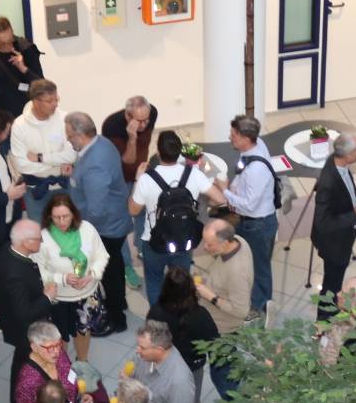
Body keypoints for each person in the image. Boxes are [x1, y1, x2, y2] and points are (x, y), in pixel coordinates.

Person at [130, 130, 224, 301]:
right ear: (180, 152)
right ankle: (181, 318)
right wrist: (204, 204)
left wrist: (137, 179)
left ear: (158, 153)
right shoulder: (193, 174)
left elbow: (133, 211)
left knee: (154, 283)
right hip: (184, 239)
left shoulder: (147, 179)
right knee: (181, 284)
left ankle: (159, 322)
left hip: (154, 241)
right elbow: (220, 199)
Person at [66, 111, 132, 335]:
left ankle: (116, 317)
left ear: (79, 135)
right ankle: (119, 303)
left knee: (108, 271)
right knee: (115, 266)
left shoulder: (95, 164)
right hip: (115, 221)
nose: (67, 139)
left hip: (106, 228)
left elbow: (96, 209)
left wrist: (83, 233)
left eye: (69, 136)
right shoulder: (102, 143)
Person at [0, 219, 55, 403]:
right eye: (38, 239)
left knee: (23, 359)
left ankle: (19, 396)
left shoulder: (8, 249)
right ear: (25, 242)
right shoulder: (14, 273)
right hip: (23, 329)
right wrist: (47, 297)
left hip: (13, 319)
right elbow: (24, 313)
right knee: (25, 361)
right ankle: (21, 399)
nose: (41, 242)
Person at [38, 191, 109, 362]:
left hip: (86, 293)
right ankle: (62, 366)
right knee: (59, 336)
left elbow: (102, 256)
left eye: (65, 216)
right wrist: (63, 278)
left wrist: (91, 275)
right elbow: (39, 273)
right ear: (49, 216)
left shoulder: (87, 229)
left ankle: (82, 362)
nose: (61, 222)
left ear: (73, 213)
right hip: (59, 298)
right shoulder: (43, 238)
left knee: (83, 331)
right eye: (56, 217)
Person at [226, 114, 279, 316]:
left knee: (260, 266)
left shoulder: (257, 170)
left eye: (233, 135)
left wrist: (226, 193)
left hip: (258, 224)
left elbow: (249, 205)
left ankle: (260, 305)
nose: (230, 138)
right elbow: (241, 172)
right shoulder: (255, 147)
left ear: (245, 138)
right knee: (250, 260)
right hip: (252, 222)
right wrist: (234, 187)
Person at [312, 133, 356, 317]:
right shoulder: (329, 181)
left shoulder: (338, 163)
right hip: (334, 243)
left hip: (343, 237)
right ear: (349, 155)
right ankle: (324, 321)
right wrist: (355, 214)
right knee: (331, 286)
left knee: (335, 282)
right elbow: (323, 222)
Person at [13, 319, 100, 403]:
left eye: (58, 344)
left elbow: (71, 377)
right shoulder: (27, 383)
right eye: (50, 348)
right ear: (34, 347)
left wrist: (79, 395)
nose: (56, 352)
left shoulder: (60, 355)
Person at [148, 267, 219, 403]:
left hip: (164, 365)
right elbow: (214, 343)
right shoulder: (201, 315)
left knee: (163, 398)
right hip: (193, 366)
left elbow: (150, 339)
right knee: (191, 402)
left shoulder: (156, 311)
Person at [10, 79, 75, 225]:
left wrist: (40, 158)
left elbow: (71, 154)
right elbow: (22, 165)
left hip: (63, 185)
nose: (55, 104)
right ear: (35, 101)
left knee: (69, 231)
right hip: (36, 190)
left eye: (56, 99)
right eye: (49, 100)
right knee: (41, 235)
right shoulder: (19, 126)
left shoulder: (64, 118)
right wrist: (57, 164)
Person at [128, 320, 196, 403]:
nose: (137, 350)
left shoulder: (180, 381)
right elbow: (132, 368)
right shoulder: (144, 355)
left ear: (159, 350)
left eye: (142, 348)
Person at [0, 16, 42, 118]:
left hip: (25, 111)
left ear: (12, 32)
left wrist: (24, 69)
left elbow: (41, 84)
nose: (8, 45)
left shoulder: (26, 49)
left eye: (10, 40)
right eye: (3, 43)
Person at [101, 94, 161, 185]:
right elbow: (127, 162)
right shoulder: (112, 126)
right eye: (139, 121)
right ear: (127, 116)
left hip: (142, 171)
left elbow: (144, 143)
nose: (143, 125)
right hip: (123, 179)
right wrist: (132, 139)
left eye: (146, 120)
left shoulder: (152, 113)